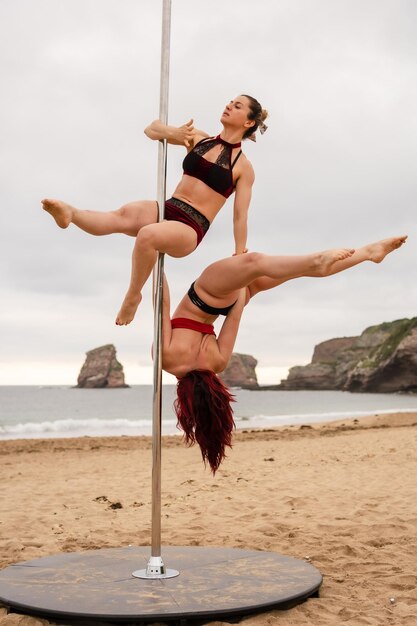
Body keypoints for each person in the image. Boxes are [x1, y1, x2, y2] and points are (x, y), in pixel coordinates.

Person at [161, 236, 407, 474]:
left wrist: (240, 288)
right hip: (205, 294)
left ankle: (367, 253)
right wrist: (156, 261)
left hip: (230, 302)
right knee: (255, 261)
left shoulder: (217, 364)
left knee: (293, 272)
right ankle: (320, 258)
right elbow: (162, 304)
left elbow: (234, 317)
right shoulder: (167, 359)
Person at [41, 95, 268, 325]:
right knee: (121, 215)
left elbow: (240, 215)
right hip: (169, 206)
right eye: (230, 102)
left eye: (237, 106)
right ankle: (71, 214)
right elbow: (151, 129)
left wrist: (240, 255)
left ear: (248, 123)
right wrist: (174, 134)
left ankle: (133, 295)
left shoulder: (243, 167)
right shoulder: (201, 138)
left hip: (191, 226)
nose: (229, 105)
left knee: (147, 235)